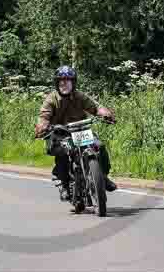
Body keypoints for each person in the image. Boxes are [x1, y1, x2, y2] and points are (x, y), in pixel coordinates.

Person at [34, 66, 117, 199]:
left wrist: (105, 114)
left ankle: (102, 177)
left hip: (81, 130)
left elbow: (95, 107)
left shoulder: (79, 96)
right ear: (57, 83)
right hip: (61, 133)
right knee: (63, 153)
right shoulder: (51, 99)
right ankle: (64, 184)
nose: (64, 84)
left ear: (74, 83)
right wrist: (42, 126)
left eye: (68, 81)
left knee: (99, 146)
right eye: (61, 81)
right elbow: (44, 115)